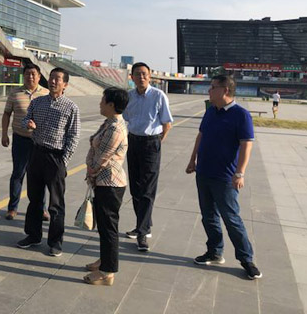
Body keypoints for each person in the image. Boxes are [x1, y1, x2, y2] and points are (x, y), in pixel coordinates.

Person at [185, 75, 262, 280]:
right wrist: (192, 160)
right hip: (204, 173)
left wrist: (240, 173)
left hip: (226, 178)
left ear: (225, 90)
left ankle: (246, 259)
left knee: (231, 219)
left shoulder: (241, 115)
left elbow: (246, 145)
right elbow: (201, 136)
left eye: (212, 87)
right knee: (208, 216)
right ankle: (214, 251)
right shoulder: (210, 111)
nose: (209, 91)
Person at [16, 67, 80, 257]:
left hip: (56, 157)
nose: (52, 81)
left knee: (56, 203)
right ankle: (33, 235)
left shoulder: (71, 107)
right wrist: (28, 124)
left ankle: (55, 242)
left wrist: (63, 161)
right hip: (36, 153)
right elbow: (24, 120)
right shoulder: (37, 102)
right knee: (34, 199)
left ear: (65, 84)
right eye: (51, 78)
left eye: (57, 79)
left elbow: (73, 136)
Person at [122, 62, 173, 252]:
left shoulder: (158, 96)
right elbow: (126, 118)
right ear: (132, 77)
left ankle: (142, 233)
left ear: (150, 76)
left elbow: (167, 123)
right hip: (133, 142)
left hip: (151, 143)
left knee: (147, 189)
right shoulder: (129, 96)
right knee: (135, 188)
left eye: (144, 74)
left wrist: (158, 142)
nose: (141, 77)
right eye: (137, 74)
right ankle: (143, 224)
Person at [84, 87, 129, 286]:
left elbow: (102, 157)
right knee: (103, 226)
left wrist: (91, 172)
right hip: (102, 181)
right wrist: (91, 170)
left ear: (111, 105)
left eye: (103, 100)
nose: (100, 103)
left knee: (109, 228)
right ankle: (104, 260)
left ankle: (107, 272)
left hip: (110, 183)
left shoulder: (115, 129)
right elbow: (94, 146)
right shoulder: (108, 123)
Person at [1, 63, 49, 220]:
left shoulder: (46, 94)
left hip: (40, 142)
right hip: (21, 140)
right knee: (18, 174)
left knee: (39, 176)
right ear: (24, 76)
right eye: (27, 74)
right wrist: (4, 134)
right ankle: (12, 208)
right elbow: (7, 114)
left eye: (34, 74)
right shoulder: (15, 93)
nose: (31, 76)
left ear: (39, 76)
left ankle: (41, 209)